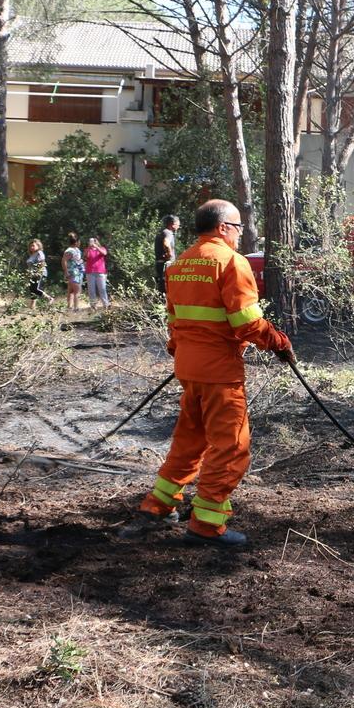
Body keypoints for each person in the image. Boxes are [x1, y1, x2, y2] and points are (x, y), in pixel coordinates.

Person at [130, 199, 294, 548]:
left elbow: (175, 322)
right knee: (233, 446)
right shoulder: (231, 263)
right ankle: (206, 523)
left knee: (191, 440)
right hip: (219, 372)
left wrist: (184, 352)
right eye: (238, 228)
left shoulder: (180, 264)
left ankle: (158, 505)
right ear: (222, 228)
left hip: (189, 369)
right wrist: (278, 342)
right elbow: (246, 322)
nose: (241, 235)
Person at [154, 214, 179, 296]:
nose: (179, 226)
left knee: (161, 285)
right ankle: (165, 305)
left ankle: (160, 303)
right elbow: (166, 243)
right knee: (166, 285)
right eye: (178, 224)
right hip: (166, 264)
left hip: (160, 263)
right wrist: (169, 254)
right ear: (172, 224)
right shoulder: (168, 233)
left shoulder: (162, 232)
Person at [84, 235, 110, 309]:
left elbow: (104, 253)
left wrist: (97, 247)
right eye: (90, 241)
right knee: (91, 290)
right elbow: (85, 255)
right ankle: (93, 306)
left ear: (96, 241)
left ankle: (106, 305)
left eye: (93, 241)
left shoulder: (101, 248)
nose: (91, 242)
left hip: (100, 272)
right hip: (90, 272)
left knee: (102, 289)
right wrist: (89, 247)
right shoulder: (87, 249)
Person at [25, 239, 51, 308]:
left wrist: (38, 272)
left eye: (33, 246)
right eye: (30, 246)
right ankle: (32, 306)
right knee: (32, 289)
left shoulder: (39, 253)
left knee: (36, 289)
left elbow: (42, 263)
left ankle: (49, 298)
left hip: (40, 273)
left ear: (38, 246)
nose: (31, 247)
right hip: (33, 274)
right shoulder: (32, 255)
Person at [62, 233, 85, 311]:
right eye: (79, 241)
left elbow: (77, 260)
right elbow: (64, 261)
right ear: (77, 242)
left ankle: (69, 306)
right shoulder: (69, 251)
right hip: (74, 273)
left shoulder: (77, 250)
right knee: (77, 290)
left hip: (78, 271)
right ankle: (76, 308)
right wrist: (66, 271)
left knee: (71, 290)